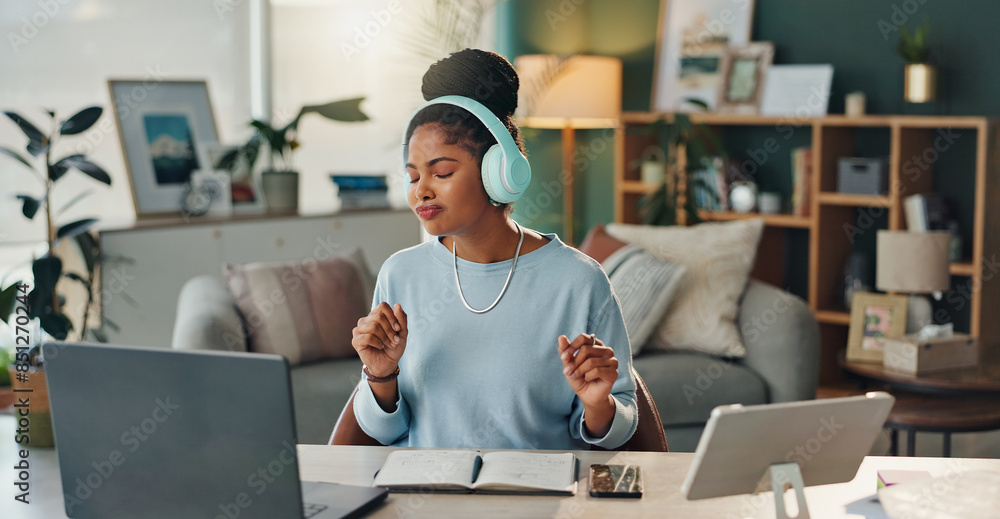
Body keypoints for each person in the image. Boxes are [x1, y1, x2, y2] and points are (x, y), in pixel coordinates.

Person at [350, 48, 637, 450]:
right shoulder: (401, 274)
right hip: (427, 500)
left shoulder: (578, 280)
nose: (421, 190)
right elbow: (381, 433)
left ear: (500, 171)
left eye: (443, 171)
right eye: (413, 176)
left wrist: (598, 404)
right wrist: (381, 376)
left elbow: (621, 430)